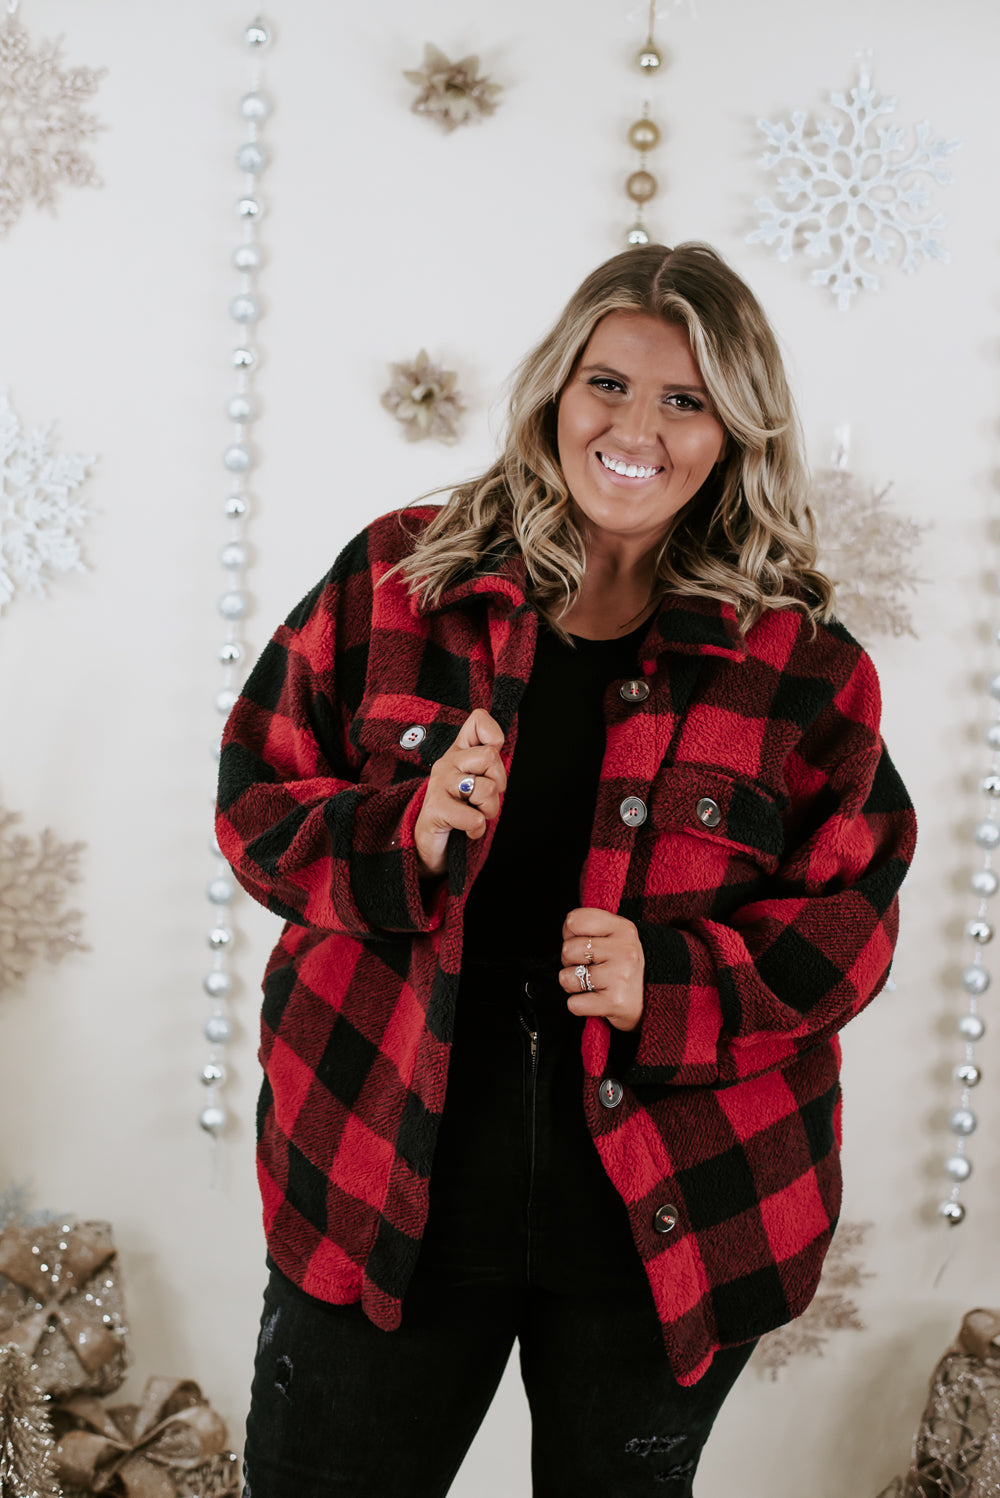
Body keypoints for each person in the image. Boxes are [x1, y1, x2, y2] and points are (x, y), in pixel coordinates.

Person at [216, 241, 916, 1498]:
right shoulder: (399, 580)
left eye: (683, 399)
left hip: (665, 1224)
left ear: (733, 433)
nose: (634, 428)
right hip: (382, 1185)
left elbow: (851, 924)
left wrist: (673, 982)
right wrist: (405, 830)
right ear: (555, 390)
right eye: (608, 383)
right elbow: (254, 799)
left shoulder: (801, 667)